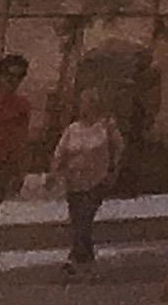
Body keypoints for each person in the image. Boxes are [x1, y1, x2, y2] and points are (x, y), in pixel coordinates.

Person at [47, 97, 120, 278]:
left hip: (96, 181)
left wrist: (113, 170)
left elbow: (119, 148)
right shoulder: (73, 129)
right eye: (82, 104)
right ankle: (88, 261)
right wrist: (54, 172)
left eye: (88, 104)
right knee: (78, 220)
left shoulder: (105, 128)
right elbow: (60, 151)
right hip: (74, 181)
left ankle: (73, 259)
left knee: (84, 218)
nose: (84, 108)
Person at [0, 56, 29, 277]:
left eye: (18, 77)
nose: (13, 81)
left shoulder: (21, 107)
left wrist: (18, 172)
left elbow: (20, 141)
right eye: (9, 75)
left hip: (0, 168)